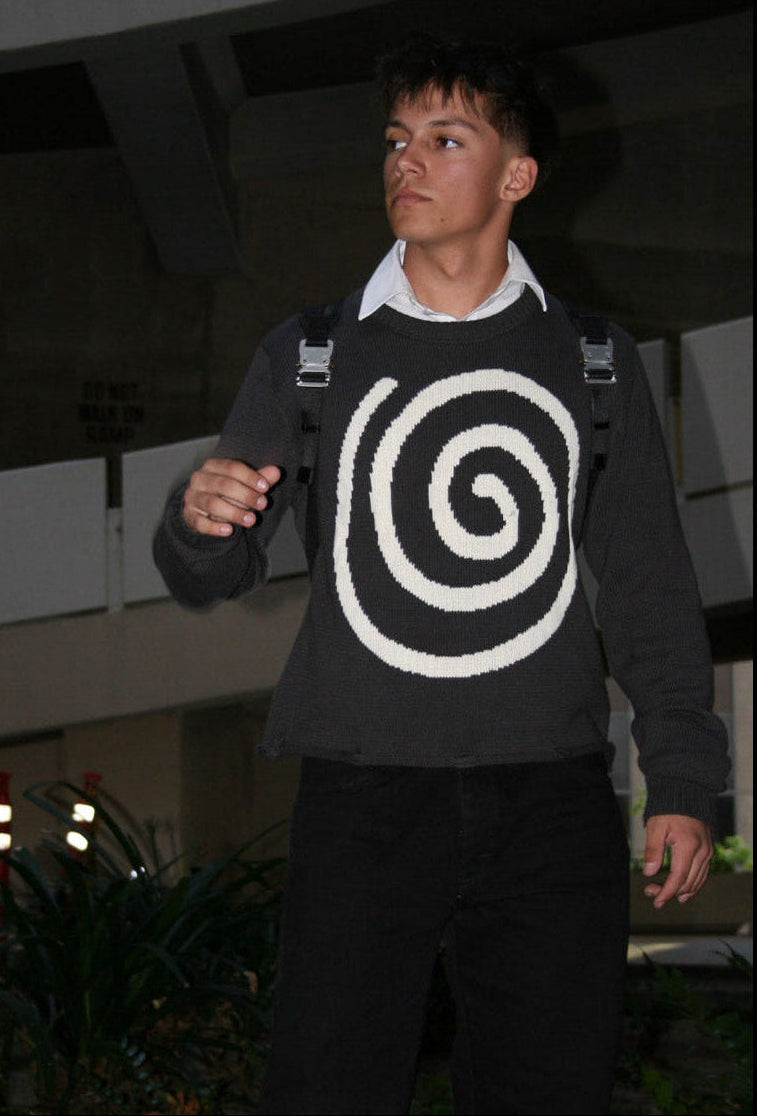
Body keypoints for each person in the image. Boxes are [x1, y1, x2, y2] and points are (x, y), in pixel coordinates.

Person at [154, 33, 730, 1116]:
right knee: (326, 1089)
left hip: (552, 794)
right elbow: (210, 573)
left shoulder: (594, 362)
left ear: (517, 176)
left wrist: (684, 783)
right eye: (395, 138)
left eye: (445, 138)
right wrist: (198, 519)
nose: (405, 162)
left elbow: (649, 585)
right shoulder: (311, 353)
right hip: (361, 794)